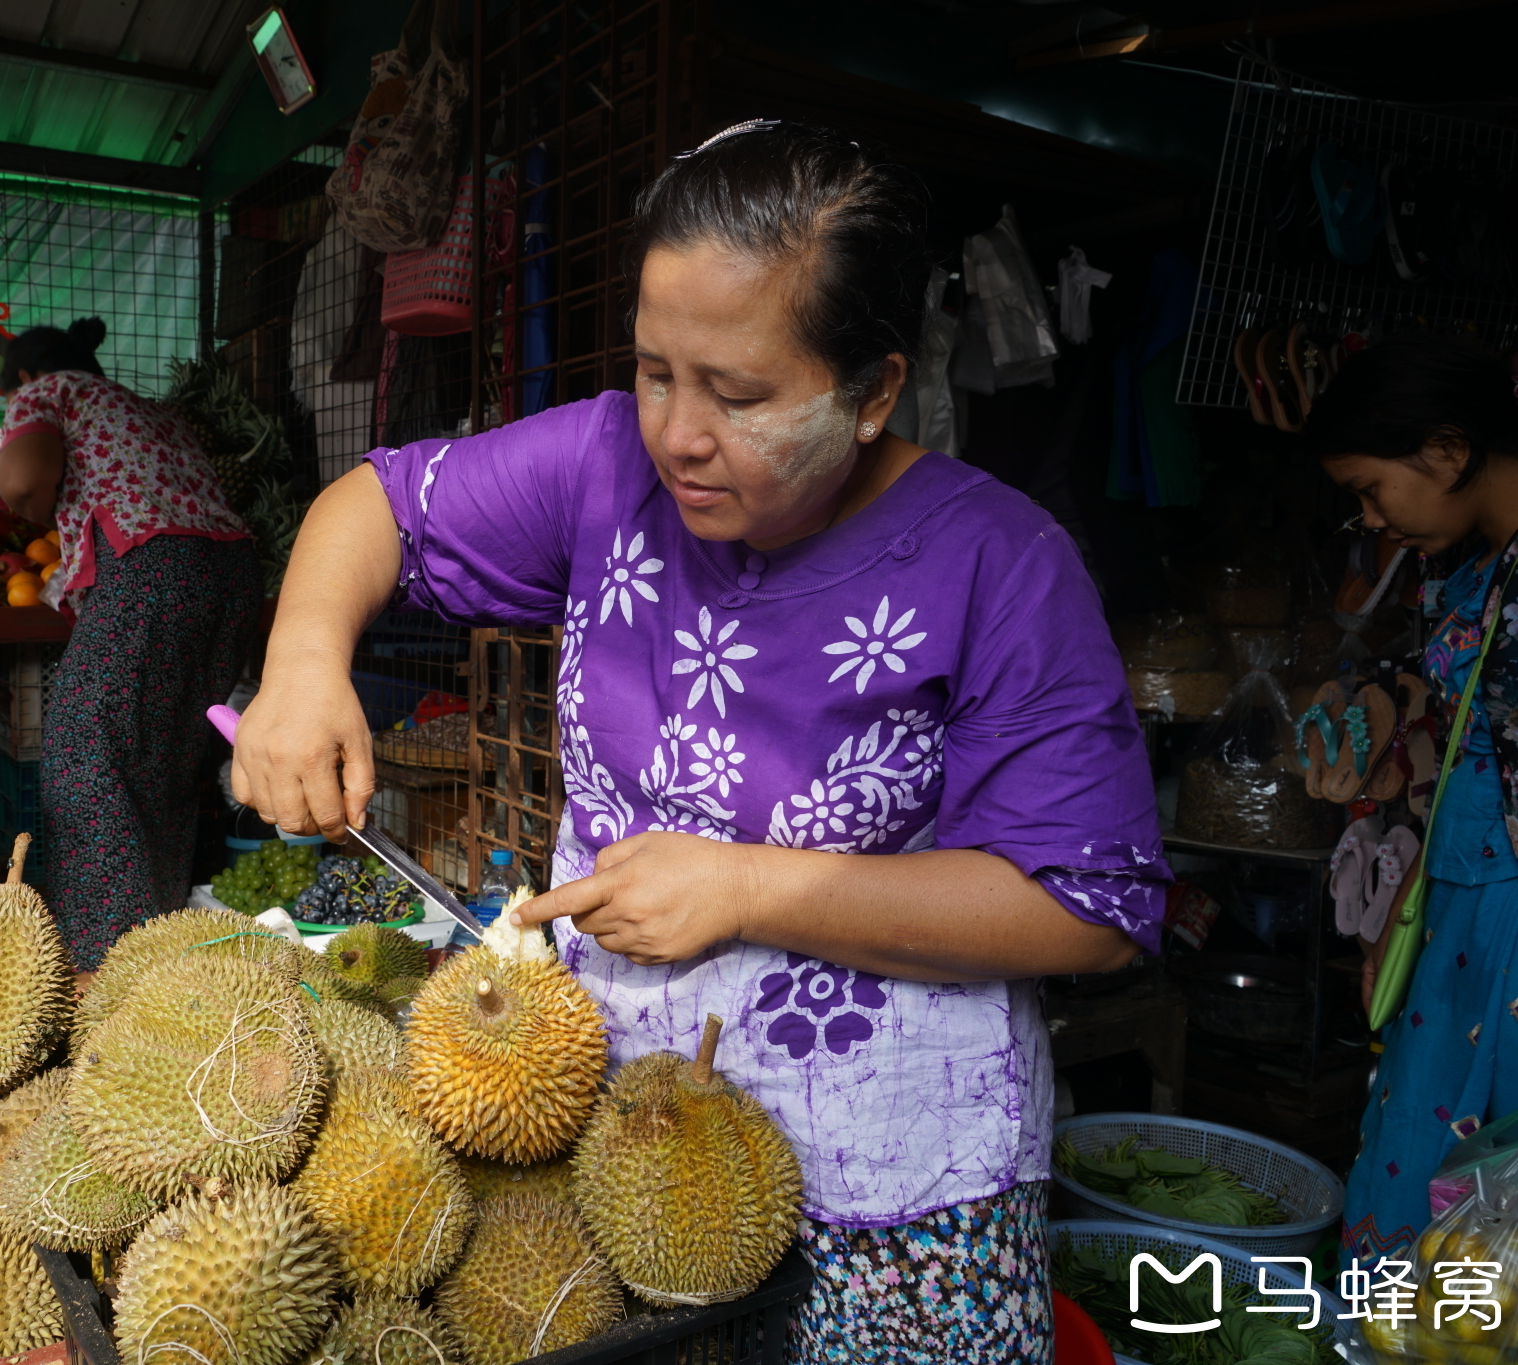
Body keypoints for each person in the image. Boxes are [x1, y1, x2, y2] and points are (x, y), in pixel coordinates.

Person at [230, 123, 1166, 1362]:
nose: (678, 430)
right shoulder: (602, 464)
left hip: (889, 1181)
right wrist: (301, 665)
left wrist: (742, 889)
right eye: (656, 370)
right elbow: (379, 505)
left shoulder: (999, 563)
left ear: (874, 390)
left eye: (737, 393)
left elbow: (1084, 908)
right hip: (616, 1138)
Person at [1314, 334, 1518, 1267]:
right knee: (1426, 1173)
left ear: (1445, 451)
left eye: (1371, 487)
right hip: (1458, 912)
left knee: (1484, 1196)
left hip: (1507, 932)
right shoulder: (1472, 571)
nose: (1374, 518)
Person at [0, 317, 259, 970]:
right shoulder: (150, 412)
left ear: (26, 377)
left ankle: (103, 968)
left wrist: (33, 513)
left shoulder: (48, 392)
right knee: (161, 761)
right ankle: (160, 946)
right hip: (232, 576)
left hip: (155, 567)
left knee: (85, 748)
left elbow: (22, 482)